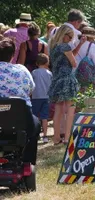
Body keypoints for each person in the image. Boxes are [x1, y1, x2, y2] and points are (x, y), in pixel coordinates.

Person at [0, 37, 40, 165]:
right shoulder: (22, 70)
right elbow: (30, 90)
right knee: (36, 124)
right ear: (12, 55)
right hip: (21, 119)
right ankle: (27, 161)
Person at [48, 25, 81, 145]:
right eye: (70, 36)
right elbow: (74, 63)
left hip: (56, 79)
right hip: (67, 79)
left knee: (58, 110)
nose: (71, 39)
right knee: (70, 109)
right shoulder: (65, 46)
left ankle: (56, 138)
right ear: (64, 35)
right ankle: (67, 138)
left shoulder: (53, 47)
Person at [31, 53, 52, 143]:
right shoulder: (49, 73)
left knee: (35, 116)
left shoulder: (34, 72)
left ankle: (35, 134)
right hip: (47, 97)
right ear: (47, 62)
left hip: (36, 97)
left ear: (36, 63)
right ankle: (45, 136)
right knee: (44, 117)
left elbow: (31, 85)